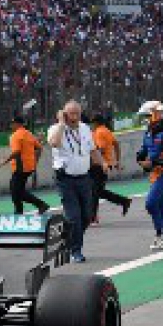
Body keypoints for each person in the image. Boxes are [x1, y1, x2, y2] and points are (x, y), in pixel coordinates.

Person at [47, 100, 104, 263]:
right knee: (74, 217)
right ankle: (75, 250)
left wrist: (103, 163)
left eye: (77, 113)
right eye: (71, 113)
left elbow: (92, 149)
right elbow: (54, 143)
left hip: (84, 178)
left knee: (87, 216)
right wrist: (61, 124)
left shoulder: (85, 129)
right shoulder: (56, 130)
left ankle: (70, 238)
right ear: (64, 114)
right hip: (65, 179)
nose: (75, 117)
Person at [137, 101, 163, 248]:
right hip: (154, 172)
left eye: (148, 115)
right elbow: (143, 150)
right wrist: (140, 159)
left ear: (157, 113)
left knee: (151, 203)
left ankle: (159, 234)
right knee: (160, 204)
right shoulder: (148, 132)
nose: (146, 119)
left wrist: (152, 163)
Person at [2, 115, 49, 214]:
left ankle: (40, 205)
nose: (11, 126)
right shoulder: (29, 134)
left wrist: (4, 161)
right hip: (29, 167)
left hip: (20, 167)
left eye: (12, 123)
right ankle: (21, 211)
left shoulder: (15, 136)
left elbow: (16, 152)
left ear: (17, 124)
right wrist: (35, 162)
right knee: (17, 190)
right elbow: (39, 148)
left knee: (16, 191)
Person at [89, 114, 131, 222]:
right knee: (97, 191)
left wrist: (90, 157)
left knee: (95, 192)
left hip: (98, 166)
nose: (91, 126)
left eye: (92, 123)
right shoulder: (106, 131)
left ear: (96, 123)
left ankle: (93, 217)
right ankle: (123, 201)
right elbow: (116, 144)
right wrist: (116, 160)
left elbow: (100, 149)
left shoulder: (99, 132)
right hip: (105, 164)